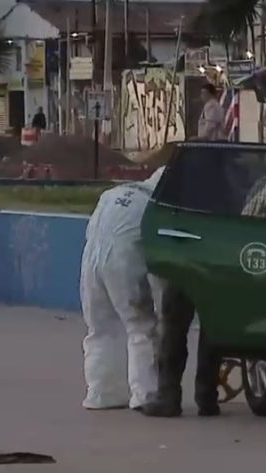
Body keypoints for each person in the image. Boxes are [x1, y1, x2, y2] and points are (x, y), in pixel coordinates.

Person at [80, 167, 166, 410]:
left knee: (100, 328)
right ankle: (145, 394)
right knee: (141, 326)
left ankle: (101, 393)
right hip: (123, 262)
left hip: (92, 260)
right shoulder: (154, 205)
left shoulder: (111, 194)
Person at [140, 285, 222, 417]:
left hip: (184, 276)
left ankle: (168, 396)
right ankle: (207, 397)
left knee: (174, 328)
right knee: (210, 329)